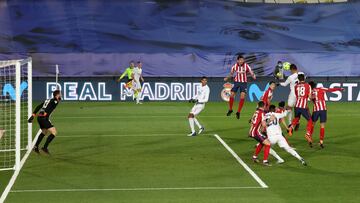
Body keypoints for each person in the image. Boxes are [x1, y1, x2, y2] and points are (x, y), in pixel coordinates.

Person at [308, 81, 344, 148]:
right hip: (323, 110)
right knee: (322, 126)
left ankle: (310, 138)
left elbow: (311, 99)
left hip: (316, 110)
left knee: (312, 124)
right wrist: (339, 89)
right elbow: (331, 90)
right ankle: (321, 141)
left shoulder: (310, 92)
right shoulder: (321, 88)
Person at [28, 90, 62, 154]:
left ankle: (35, 147)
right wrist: (45, 114)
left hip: (39, 118)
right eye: (60, 94)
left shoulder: (48, 100)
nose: (61, 95)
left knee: (44, 132)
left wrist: (33, 115)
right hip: (44, 118)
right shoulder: (54, 101)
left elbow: (39, 106)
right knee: (54, 132)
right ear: (57, 95)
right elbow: (49, 108)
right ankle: (45, 147)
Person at [224, 55, 256, 119]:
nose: (241, 61)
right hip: (236, 82)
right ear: (238, 60)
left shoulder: (246, 66)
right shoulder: (235, 66)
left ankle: (238, 112)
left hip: (243, 83)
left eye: (242, 60)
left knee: (242, 96)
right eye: (240, 60)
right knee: (232, 94)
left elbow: (251, 71)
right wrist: (227, 78)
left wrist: (253, 76)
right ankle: (230, 109)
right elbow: (231, 73)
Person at [288, 74, 313, 147]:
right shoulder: (308, 86)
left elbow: (296, 95)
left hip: (297, 106)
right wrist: (312, 98)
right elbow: (310, 96)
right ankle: (308, 134)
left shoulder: (296, 86)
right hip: (303, 106)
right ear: (304, 78)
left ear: (298, 79)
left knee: (297, 118)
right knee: (310, 120)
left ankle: (291, 127)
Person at [249, 101, 272, 166]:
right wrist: (270, 120)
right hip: (256, 132)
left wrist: (250, 130)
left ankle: (254, 157)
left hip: (252, 131)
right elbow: (264, 124)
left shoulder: (256, 111)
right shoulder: (262, 113)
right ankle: (265, 161)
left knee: (262, 143)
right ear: (264, 106)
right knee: (268, 144)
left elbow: (252, 121)